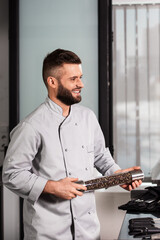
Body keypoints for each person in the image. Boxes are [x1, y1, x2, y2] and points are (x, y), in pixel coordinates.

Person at [2, 48, 142, 240]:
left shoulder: (87, 117)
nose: (81, 84)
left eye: (81, 77)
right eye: (73, 79)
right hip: (48, 234)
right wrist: (51, 186)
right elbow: (11, 174)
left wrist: (118, 175)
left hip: (88, 231)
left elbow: (101, 156)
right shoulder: (31, 126)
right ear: (52, 82)